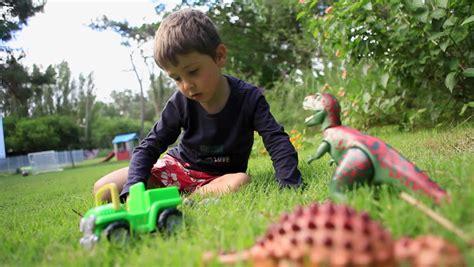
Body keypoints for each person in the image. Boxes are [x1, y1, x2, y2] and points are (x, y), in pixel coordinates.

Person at [94, 8, 302, 202]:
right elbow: (149, 146)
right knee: (103, 187)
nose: (186, 85)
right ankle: (174, 192)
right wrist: (133, 188)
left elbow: (276, 141)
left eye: (193, 71)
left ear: (219, 56)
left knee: (240, 181)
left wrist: (289, 183)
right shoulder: (180, 102)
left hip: (220, 178)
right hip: (177, 169)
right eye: (176, 78)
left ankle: (188, 198)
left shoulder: (249, 98)